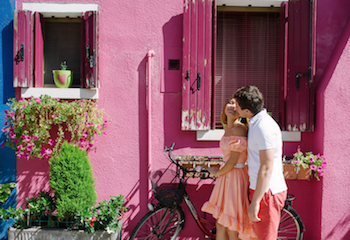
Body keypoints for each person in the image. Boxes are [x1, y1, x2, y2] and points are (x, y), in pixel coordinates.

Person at [233, 86, 287, 240]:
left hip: (266, 192)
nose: (234, 107)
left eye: (237, 105)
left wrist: (256, 201)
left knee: (265, 237)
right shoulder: (257, 122)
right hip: (261, 190)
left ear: (247, 110)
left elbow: (266, 167)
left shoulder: (264, 127)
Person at [202, 97, 256, 240]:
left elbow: (233, 161)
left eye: (236, 105)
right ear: (225, 106)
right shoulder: (227, 128)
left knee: (233, 227)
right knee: (221, 224)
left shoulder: (239, 129)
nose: (232, 106)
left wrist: (216, 172)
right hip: (226, 176)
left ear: (240, 111)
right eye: (230, 103)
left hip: (235, 176)